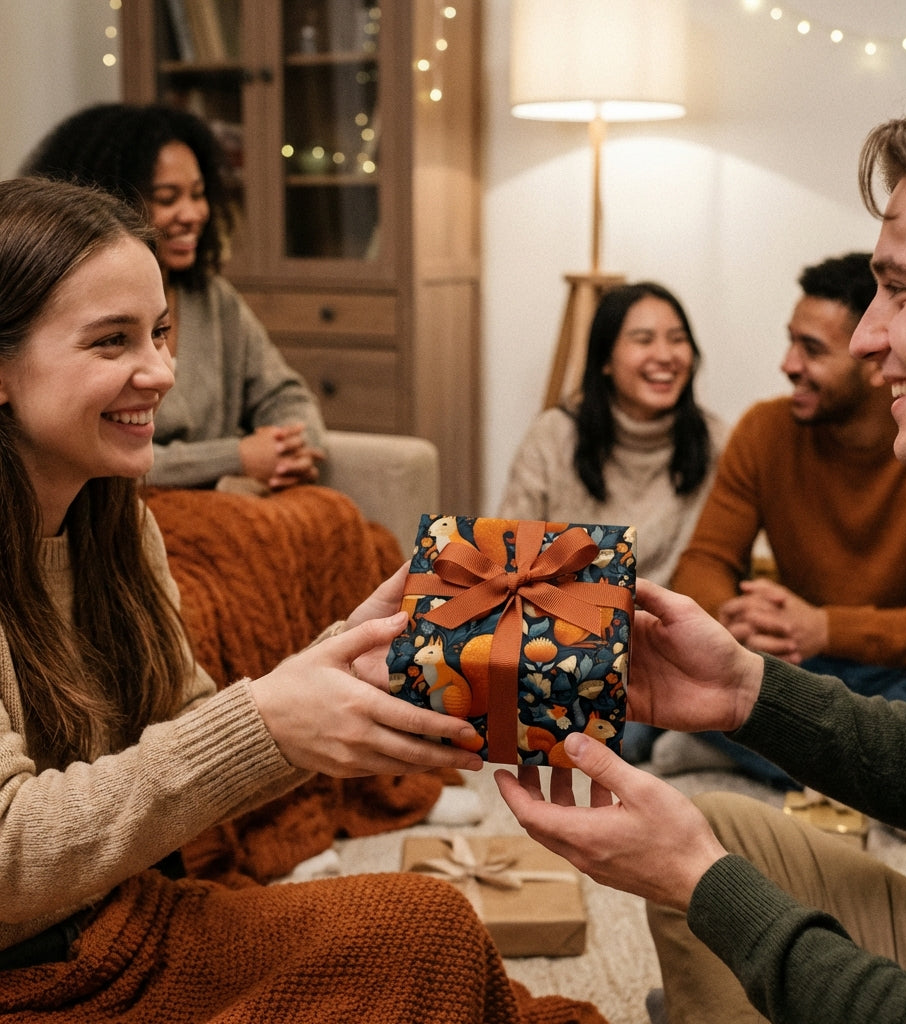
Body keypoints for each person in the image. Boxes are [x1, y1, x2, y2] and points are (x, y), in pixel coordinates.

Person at [0, 176, 603, 1024]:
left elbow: (184, 743)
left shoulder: (119, 526)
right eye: (112, 342)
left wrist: (332, 676)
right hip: (28, 979)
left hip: (122, 926)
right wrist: (267, 723)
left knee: (428, 925)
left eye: (162, 335)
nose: (161, 372)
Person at [496, 68, 906, 1023]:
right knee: (731, 823)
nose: (865, 338)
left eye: (898, 292)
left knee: (710, 864)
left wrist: (702, 883)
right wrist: (744, 689)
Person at [660, 251, 906, 787]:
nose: (788, 364)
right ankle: (868, 781)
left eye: (811, 349)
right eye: (791, 341)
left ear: (872, 358)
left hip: (903, 668)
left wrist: (826, 627)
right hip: (800, 668)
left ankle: (753, 754)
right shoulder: (765, 430)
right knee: (665, 682)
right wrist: (735, 618)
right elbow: (704, 561)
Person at [20, 102, 326, 492]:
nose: (193, 213)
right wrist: (236, 458)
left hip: (236, 496)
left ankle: (428, 551)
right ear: (109, 204)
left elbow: (284, 393)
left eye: (199, 194)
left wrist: (290, 450)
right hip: (145, 506)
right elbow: (96, 447)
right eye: (168, 198)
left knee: (352, 525)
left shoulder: (214, 299)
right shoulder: (75, 309)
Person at [497, 281, 728, 762]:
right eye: (643, 340)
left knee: (746, 689)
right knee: (611, 727)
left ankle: (691, 732)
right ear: (604, 360)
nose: (665, 355)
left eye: (677, 338)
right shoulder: (554, 437)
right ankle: (693, 734)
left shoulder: (715, 443)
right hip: (565, 644)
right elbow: (506, 562)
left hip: (667, 648)